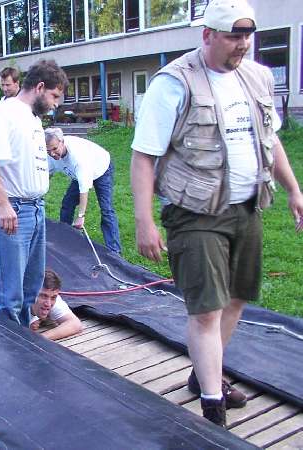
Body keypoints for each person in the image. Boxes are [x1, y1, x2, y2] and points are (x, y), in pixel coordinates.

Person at [130, 0, 303, 428]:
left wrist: (294, 190)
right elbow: (143, 155)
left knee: (237, 297)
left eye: (247, 36)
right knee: (206, 310)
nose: (242, 45)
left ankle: (202, 374)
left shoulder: (257, 77)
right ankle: (213, 407)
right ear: (207, 35)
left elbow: (271, 141)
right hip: (194, 213)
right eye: (232, 37)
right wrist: (144, 220)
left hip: (247, 207)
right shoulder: (174, 83)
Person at [0, 59, 68, 326]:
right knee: (10, 296)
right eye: (54, 96)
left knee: (30, 289)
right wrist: (2, 204)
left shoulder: (33, 119)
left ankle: (24, 342)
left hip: (35, 209)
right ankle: (7, 348)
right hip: (12, 212)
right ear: (39, 87)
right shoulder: (4, 114)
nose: (56, 104)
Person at [45, 127, 122, 253]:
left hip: (101, 168)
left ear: (62, 142)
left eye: (55, 149)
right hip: (78, 174)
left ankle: (114, 251)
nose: (52, 154)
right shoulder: (50, 156)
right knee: (67, 204)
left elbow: (84, 190)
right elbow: (47, 176)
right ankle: (64, 238)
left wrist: (81, 216)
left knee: (106, 209)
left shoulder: (77, 157)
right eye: (49, 151)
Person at [29, 269, 84, 340]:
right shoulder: (17, 298)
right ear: (31, 293)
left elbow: (75, 324)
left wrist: (40, 338)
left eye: (53, 297)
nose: (48, 304)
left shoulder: (52, 298)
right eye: (43, 296)